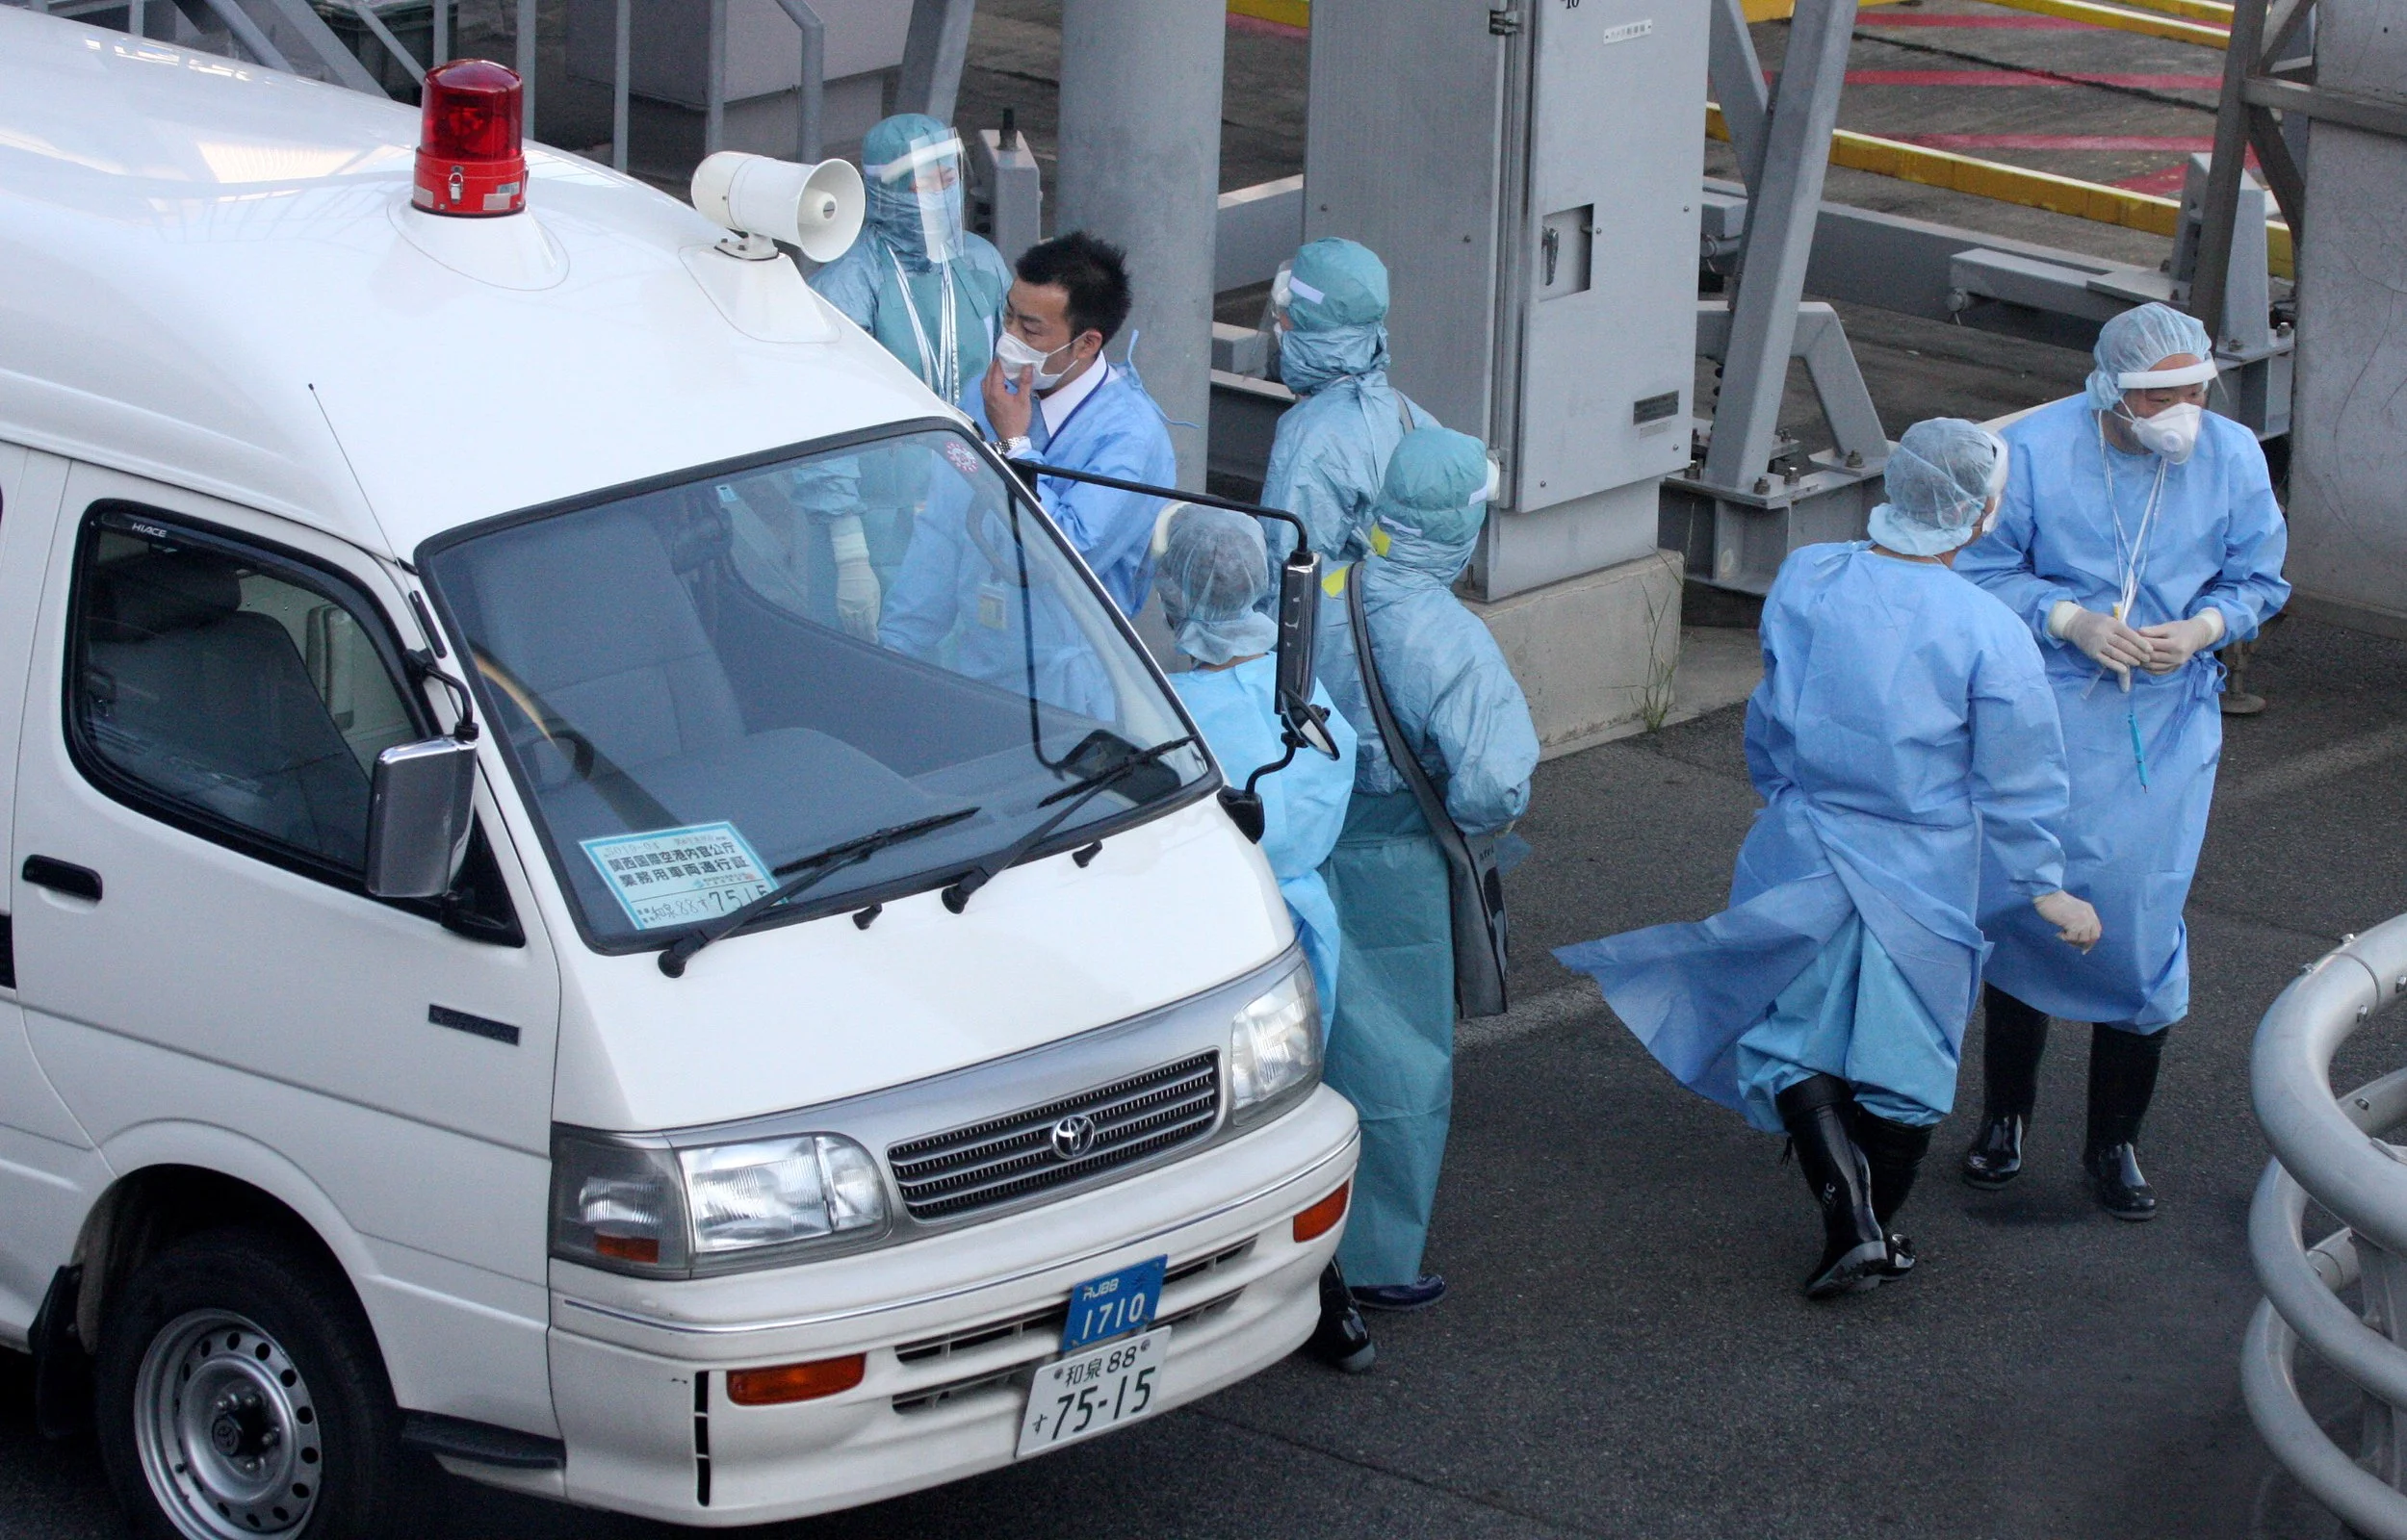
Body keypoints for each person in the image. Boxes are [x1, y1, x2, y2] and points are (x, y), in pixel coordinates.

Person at [1556, 420, 2102, 1298]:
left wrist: (1782, 793)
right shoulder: (1989, 631)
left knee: (1787, 1029)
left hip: (1802, 843)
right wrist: (2044, 889)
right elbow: (2020, 776)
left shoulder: (1813, 575)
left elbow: (1771, 709)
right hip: (1919, 873)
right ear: (1978, 515)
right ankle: (1866, 1225)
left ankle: (1848, 1215)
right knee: (1908, 1067)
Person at [1954, 302, 2290, 1219]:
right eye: (2159, 394)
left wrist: (2209, 626)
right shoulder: (2032, 452)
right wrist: (2071, 620)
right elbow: (1984, 570)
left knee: (2138, 925)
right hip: (2051, 712)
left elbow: (2259, 576)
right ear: (2110, 389)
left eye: (2194, 389)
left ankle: (2114, 1142)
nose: (2182, 408)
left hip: (2167, 726)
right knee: (2028, 906)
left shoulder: (2231, 457)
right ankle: (2004, 1120)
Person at [1317, 426, 1540, 1318]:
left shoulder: (1323, 583)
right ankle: (1371, 1258)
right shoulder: (1449, 637)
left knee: (1307, 1049)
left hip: (1298, 849)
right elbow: (1493, 782)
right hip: (1394, 860)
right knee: (1397, 1065)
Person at [1151, 503, 1375, 1373]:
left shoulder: (1174, 711)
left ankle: (1274, 1297)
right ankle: (1332, 1296)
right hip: (1309, 930)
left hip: (1218, 942)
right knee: (1301, 1109)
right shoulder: (1304, 699)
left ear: (1178, 594)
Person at [804, 115, 1014, 637]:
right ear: (885, 188)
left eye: (949, 176)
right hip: (877, 520)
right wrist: (850, 553)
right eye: (923, 180)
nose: (942, 192)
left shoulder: (980, 262)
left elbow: (1008, 370)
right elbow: (825, 417)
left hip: (968, 503)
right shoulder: (849, 282)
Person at [977, 231, 1178, 620]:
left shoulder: (1130, 436)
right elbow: (942, 525)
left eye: (1030, 330)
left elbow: (1074, 551)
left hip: (1068, 662)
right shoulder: (989, 391)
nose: (1009, 338)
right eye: (1008, 316)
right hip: (978, 644)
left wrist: (1016, 446)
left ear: (1086, 344)